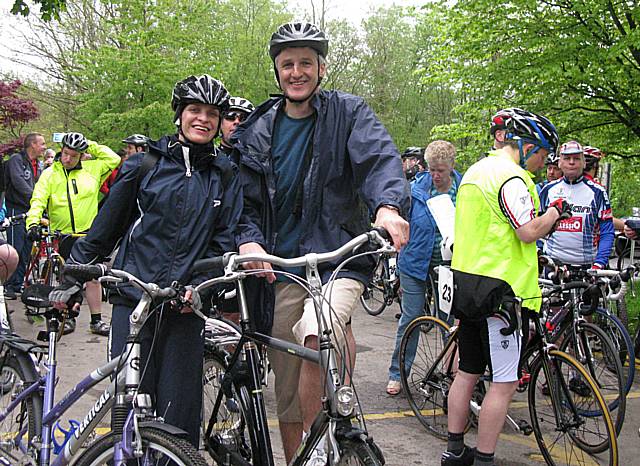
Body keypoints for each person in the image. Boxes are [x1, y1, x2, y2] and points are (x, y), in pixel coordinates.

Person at [233, 21, 410, 463]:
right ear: (277, 72)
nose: (297, 72)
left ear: (321, 69)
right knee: (289, 389)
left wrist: (387, 205)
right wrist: (250, 243)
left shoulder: (348, 114)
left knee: (320, 330)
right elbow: (245, 204)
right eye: (288, 64)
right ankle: (301, 458)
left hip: (339, 257)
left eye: (306, 63)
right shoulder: (257, 131)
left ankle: (330, 436)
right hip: (282, 266)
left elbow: (378, 159)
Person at [50, 74, 242, 447]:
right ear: (179, 115)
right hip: (133, 302)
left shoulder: (224, 174)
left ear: (219, 123)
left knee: (180, 419)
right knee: (129, 409)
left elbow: (222, 242)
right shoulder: (145, 166)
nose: (202, 119)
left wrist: (202, 290)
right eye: (194, 110)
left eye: (211, 114)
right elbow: (105, 230)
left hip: (186, 308)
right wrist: (71, 279)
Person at [443, 108, 567, 466]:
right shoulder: (512, 178)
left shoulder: (473, 173)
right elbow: (527, 231)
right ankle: (484, 458)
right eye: (543, 154)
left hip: (467, 282)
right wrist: (556, 212)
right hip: (501, 294)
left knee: (467, 371)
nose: (543, 164)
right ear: (527, 146)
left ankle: (453, 450)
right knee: (504, 382)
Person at [386, 140, 461, 396]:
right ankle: (398, 374)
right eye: (431, 169)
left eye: (441, 169)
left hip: (449, 265)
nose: (435, 175)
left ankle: (453, 377)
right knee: (411, 319)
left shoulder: (463, 191)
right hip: (415, 262)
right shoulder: (414, 190)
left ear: (451, 166)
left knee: (448, 322)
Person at [26, 132, 120, 335]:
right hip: (64, 234)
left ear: (81, 155)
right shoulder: (50, 174)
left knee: (92, 278)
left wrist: (90, 144)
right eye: (65, 154)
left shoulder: (92, 169)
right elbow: (38, 200)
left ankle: (96, 321)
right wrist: (32, 223)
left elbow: (114, 158)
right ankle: (65, 318)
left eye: (73, 155)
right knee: (66, 279)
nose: (67, 159)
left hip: (89, 234)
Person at [539, 140, 614, 269]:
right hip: (553, 265)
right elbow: (536, 225)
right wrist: (539, 251)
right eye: (567, 158)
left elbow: (607, 231)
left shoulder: (598, 192)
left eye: (576, 158)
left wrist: (599, 263)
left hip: (587, 266)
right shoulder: (548, 190)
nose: (572, 162)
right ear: (560, 162)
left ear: (584, 163)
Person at [3, 132, 46, 299]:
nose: (44, 147)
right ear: (33, 145)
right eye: (42, 143)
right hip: (17, 209)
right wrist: (36, 198)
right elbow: (18, 182)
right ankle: (8, 285)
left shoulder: (37, 164)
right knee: (16, 248)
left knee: (27, 249)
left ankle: (18, 283)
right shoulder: (16, 160)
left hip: (31, 211)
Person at [218, 96, 254, 164]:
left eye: (244, 118)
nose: (237, 122)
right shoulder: (207, 159)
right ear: (220, 123)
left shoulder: (258, 162)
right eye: (230, 116)